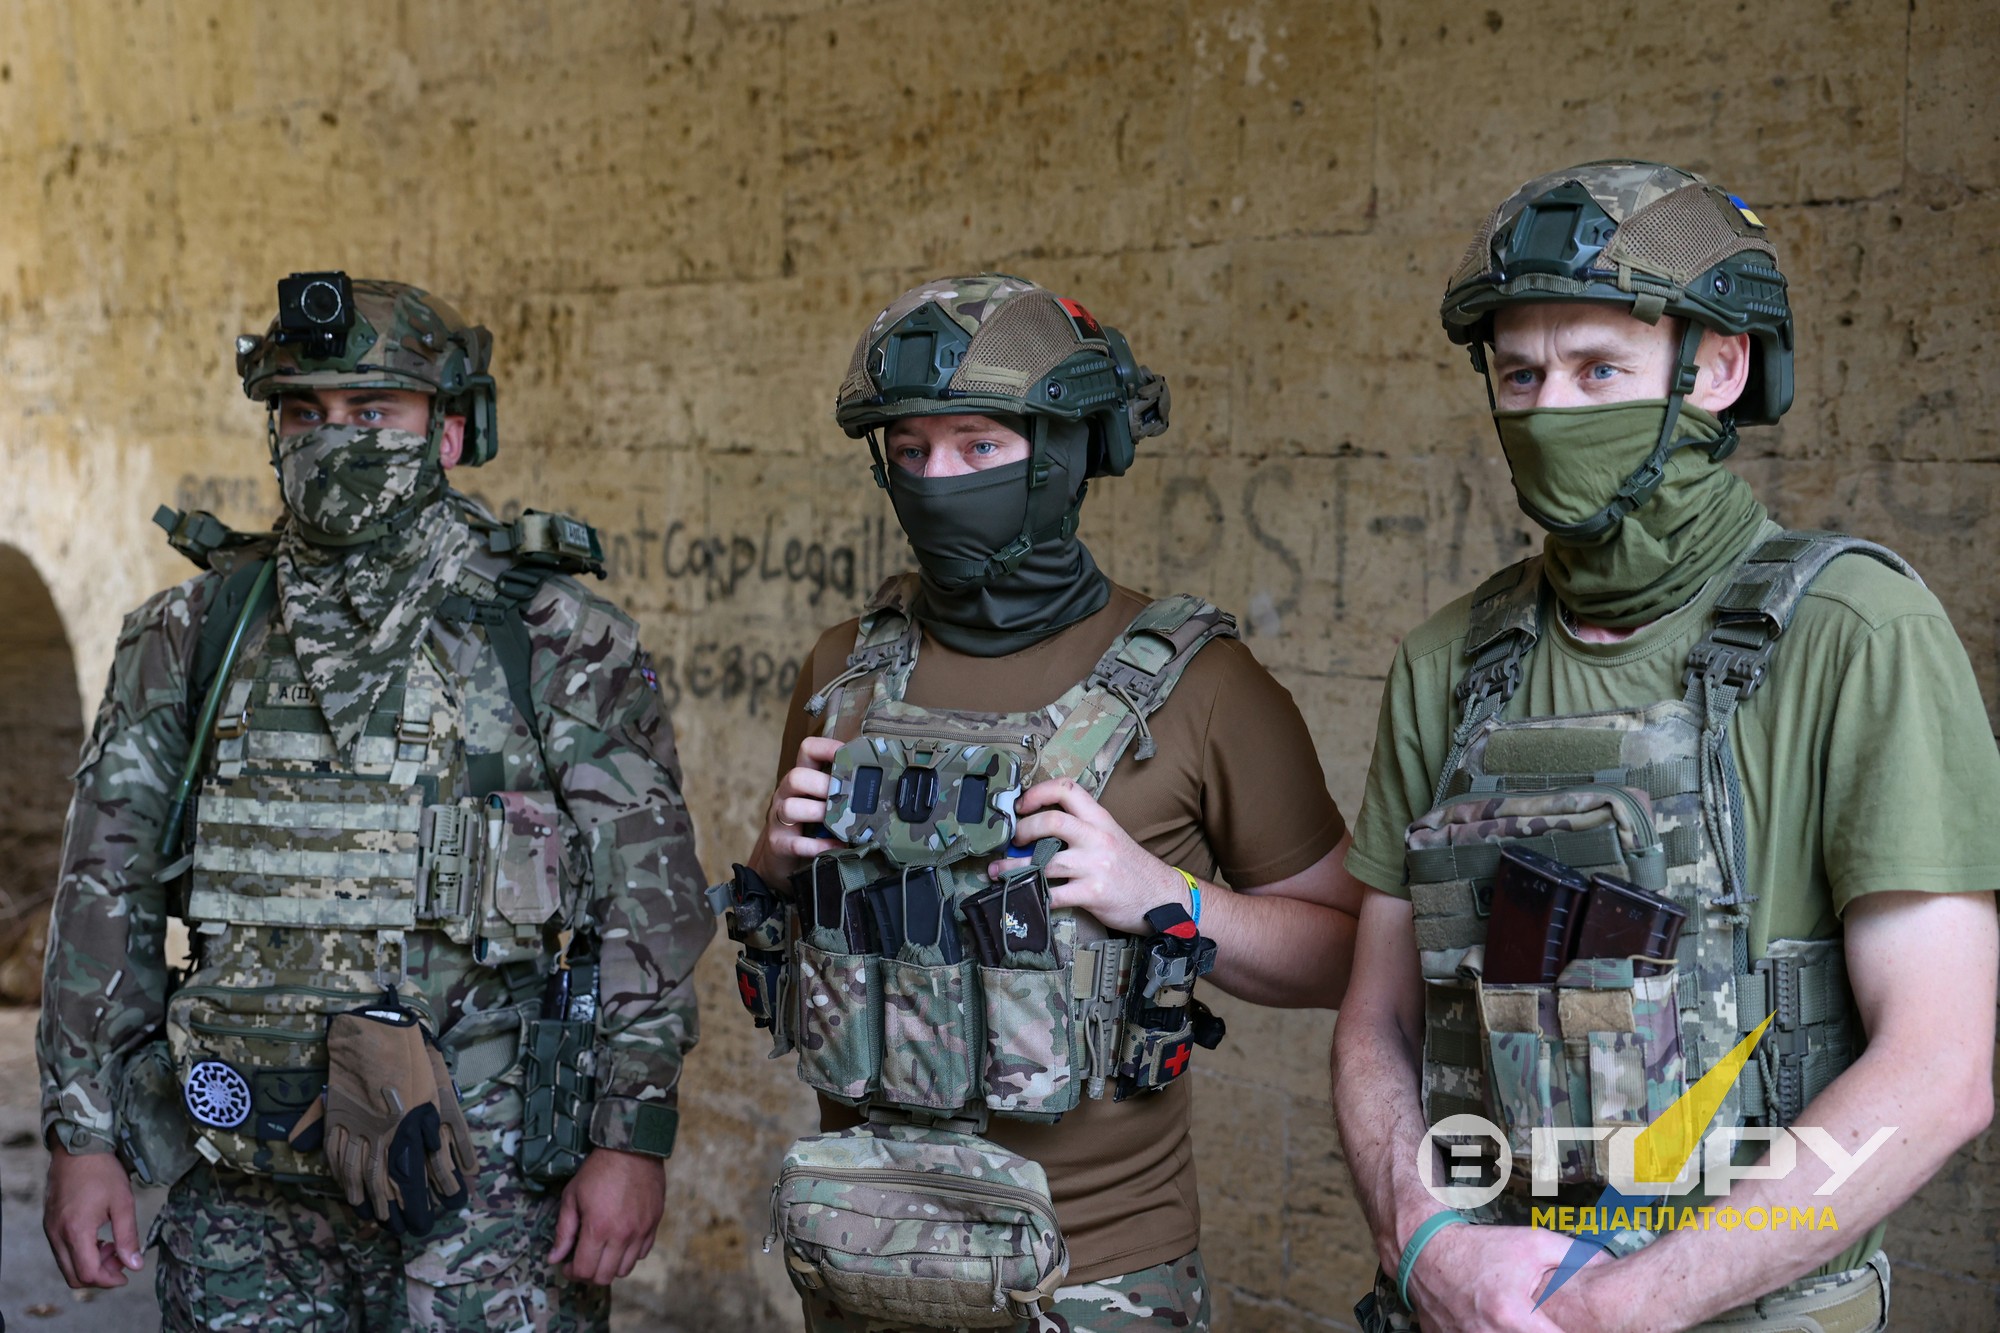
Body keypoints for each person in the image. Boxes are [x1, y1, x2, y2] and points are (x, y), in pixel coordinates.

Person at [1331, 162, 1999, 1332]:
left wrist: (1623, 1305)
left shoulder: (1855, 633)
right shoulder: (1447, 660)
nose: (1549, 411)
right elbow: (1375, 1021)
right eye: (1520, 375)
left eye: (1597, 370)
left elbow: (1937, 1074)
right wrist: (1424, 1241)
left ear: (1717, 369)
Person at [37, 274, 713, 1331]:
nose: (333, 438)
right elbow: (102, 891)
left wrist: (631, 1139)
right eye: (303, 413)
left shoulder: (551, 635)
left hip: (487, 1186)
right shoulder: (190, 633)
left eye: (372, 411)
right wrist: (82, 1138)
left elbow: (647, 907)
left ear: (450, 431)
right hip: (245, 1177)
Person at [721, 273, 1361, 1331]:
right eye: (910, 451)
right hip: (861, 1259)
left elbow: (1347, 952)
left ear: (1064, 452)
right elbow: (788, 953)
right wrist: (772, 867)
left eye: (978, 445)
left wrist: (1163, 896)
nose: (937, 480)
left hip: (1093, 1280)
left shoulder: (1203, 687)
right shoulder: (844, 672)